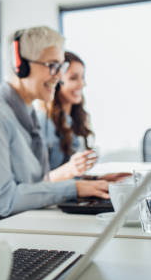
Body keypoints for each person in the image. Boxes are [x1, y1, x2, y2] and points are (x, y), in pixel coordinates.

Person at [0, 27, 111, 233]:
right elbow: (5, 200)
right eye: (52, 66)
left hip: (24, 223)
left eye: (61, 66)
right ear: (20, 66)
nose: (59, 75)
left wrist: (92, 184)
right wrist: (73, 188)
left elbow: (39, 185)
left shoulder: (28, 118)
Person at [38, 51, 130, 183]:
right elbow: (37, 184)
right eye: (74, 78)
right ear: (56, 82)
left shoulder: (74, 119)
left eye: (83, 77)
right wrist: (70, 169)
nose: (82, 84)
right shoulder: (42, 122)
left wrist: (98, 179)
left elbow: (71, 178)